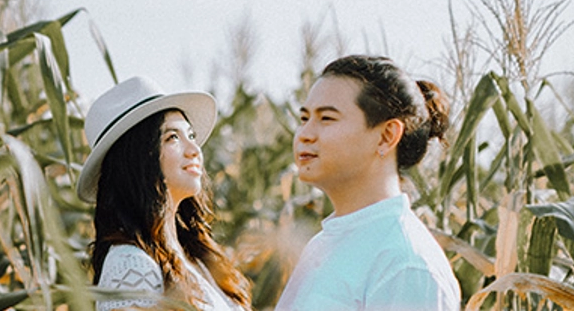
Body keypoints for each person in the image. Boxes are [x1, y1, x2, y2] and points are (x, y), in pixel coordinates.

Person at [275, 55, 460, 310]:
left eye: (326, 118)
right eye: (304, 119)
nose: (304, 135)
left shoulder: (405, 264)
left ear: (386, 136)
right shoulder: (322, 245)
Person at [80, 77, 250, 310]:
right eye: (172, 137)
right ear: (137, 160)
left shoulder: (195, 256)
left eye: (191, 136)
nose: (194, 150)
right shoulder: (131, 265)